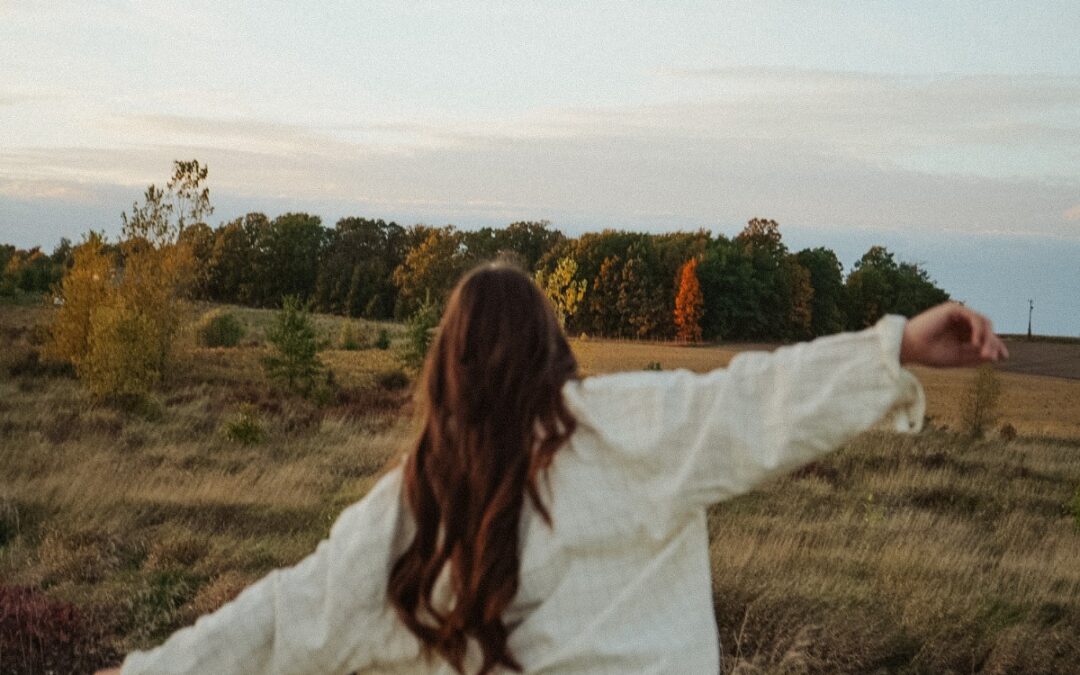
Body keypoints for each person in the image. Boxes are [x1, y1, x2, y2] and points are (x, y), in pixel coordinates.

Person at [100, 262, 1008, 675]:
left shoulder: (416, 505)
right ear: (554, 347)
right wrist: (896, 345)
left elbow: (280, 618)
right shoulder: (624, 427)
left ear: (444, 370)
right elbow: (754, 401)